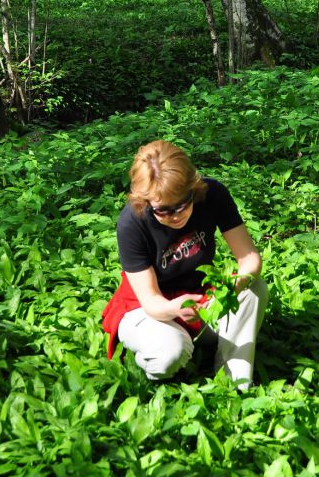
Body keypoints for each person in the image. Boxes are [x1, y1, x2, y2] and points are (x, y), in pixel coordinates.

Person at [102, 140, 268, 389]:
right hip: (149, 307)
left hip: (200, 299)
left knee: (254, 289)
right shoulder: (131, 222)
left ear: (194, 188)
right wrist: (173, 309)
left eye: (182, 204)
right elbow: (151, 302)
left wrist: (234, 286)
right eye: (163, 211)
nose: (176, 215)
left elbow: (249, 258)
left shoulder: (213, 195)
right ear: (146, 202)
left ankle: (234, 383)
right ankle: (162, 360)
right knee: (170, 353)